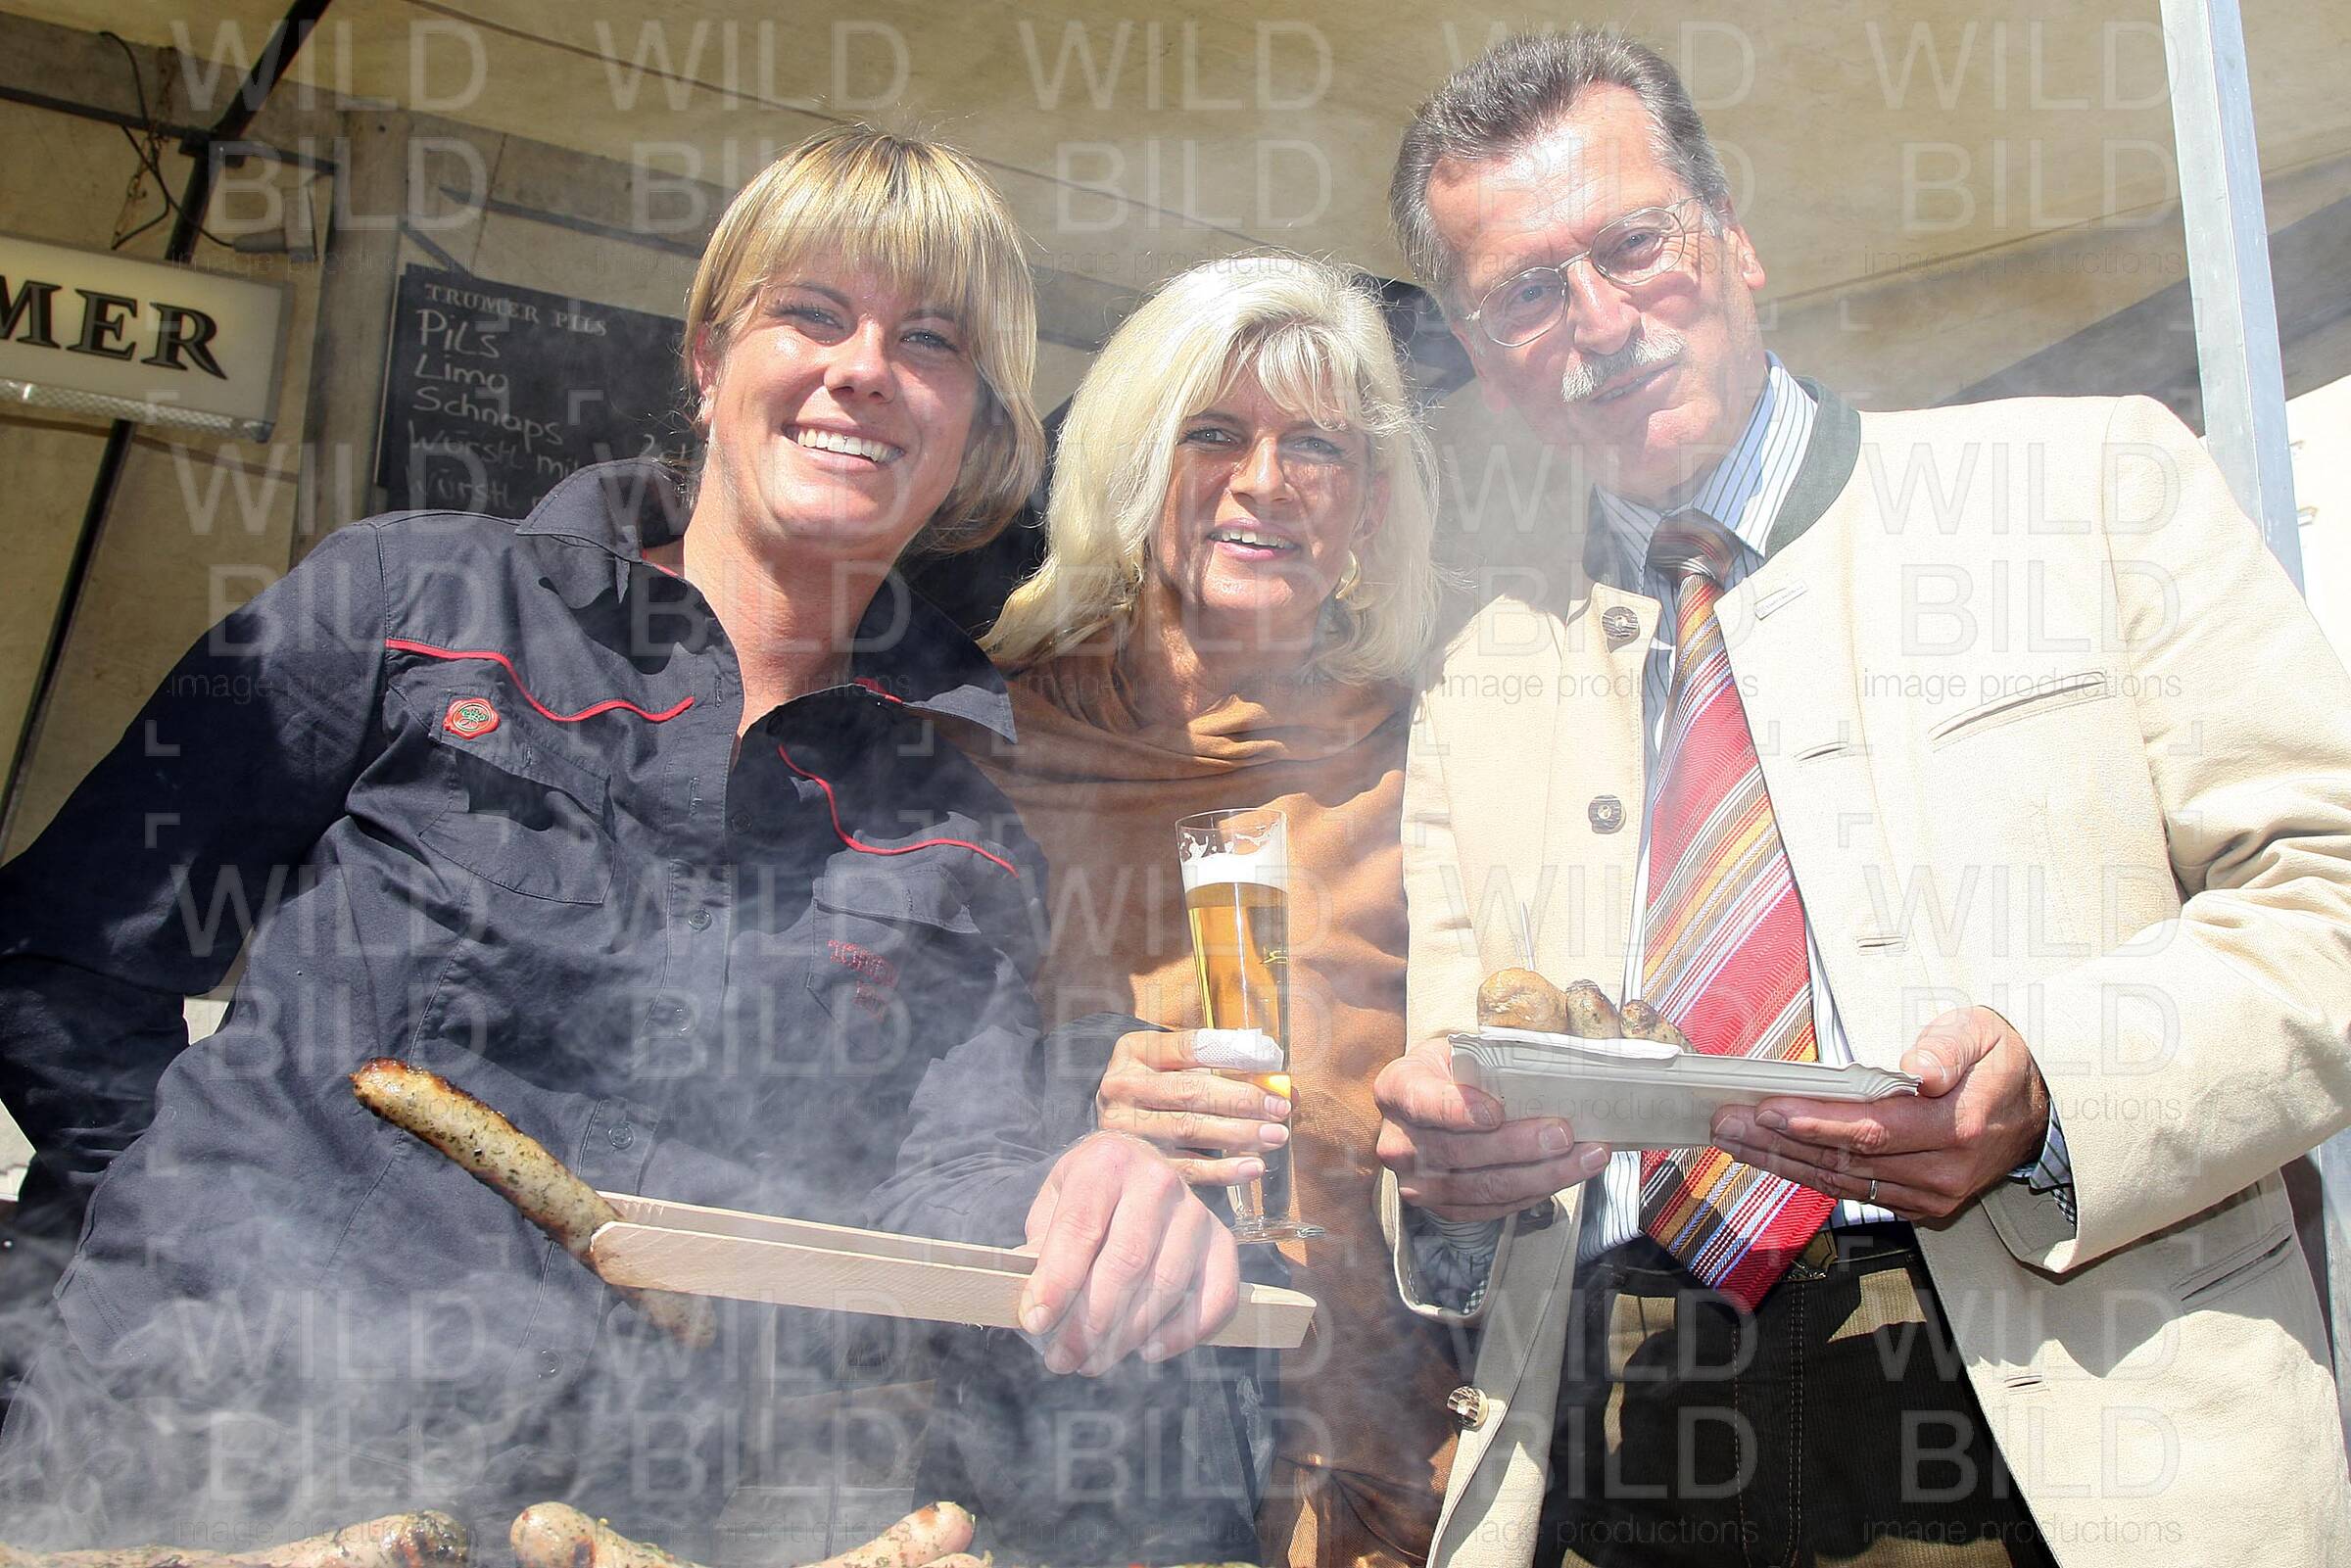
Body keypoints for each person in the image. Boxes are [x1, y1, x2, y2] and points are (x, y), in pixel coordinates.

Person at [0, 126, 1239, 1551]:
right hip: (203, 1466)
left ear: (977, 429)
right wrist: (200, 1230)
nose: (864, 369)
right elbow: (62, 952)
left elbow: (943, 1194)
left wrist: (1081, 1193)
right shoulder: (408, 602)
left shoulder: (956, 827)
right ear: (708, 360)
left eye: (932, 340)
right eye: (811, 312)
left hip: (611, 1516)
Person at [1369, 28, 2351, 1568]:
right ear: (1485, 360)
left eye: (1635, 245)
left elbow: (2329, 893)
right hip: (1621, 1434)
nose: (1602, 323)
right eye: (1528, 295)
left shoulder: (2088, 485)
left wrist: (2056, 1092)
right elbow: (1453, 1093)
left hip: (2049, 1422)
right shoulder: (1477, 677)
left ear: (1735, 237)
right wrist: (1448, 1188)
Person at [968, 255, 1460, 1568]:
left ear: (1369, 507)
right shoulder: (985, 747)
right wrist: (1074, 1089)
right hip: (1059, 1462)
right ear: (1134, 466)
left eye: (1319, 447)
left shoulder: (1439, 765)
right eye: (1215, 434)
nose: (1266, 482)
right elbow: (872, 1087)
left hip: (1375, 1461)